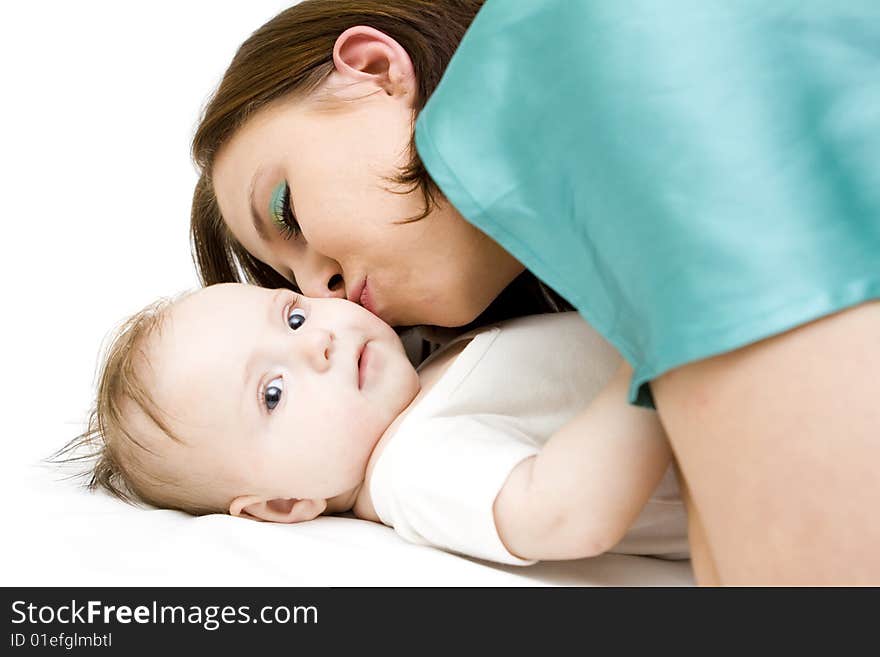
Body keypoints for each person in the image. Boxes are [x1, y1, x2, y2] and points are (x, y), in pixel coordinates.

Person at [189, 0, 880, 583]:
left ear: (372, 70)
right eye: (289, 282)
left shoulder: (597, 41)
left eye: (284, 211)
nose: (323, 289)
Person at [61, 283, 687, 565]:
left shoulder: (416, 365)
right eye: (273, 394)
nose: (317, 346)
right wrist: (667, 347)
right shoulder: (411, 468)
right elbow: (562, 513)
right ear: (283, 504)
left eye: (295, 319)